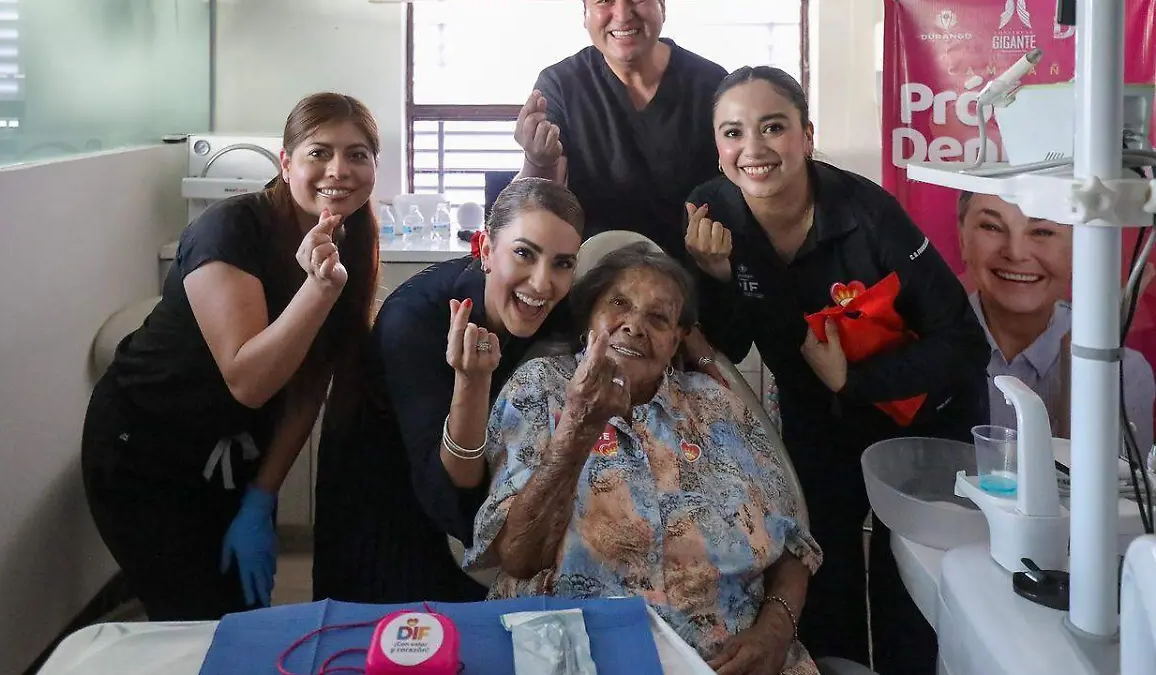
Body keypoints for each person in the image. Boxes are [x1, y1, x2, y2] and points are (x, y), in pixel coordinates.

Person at [682, 66, 990, 674]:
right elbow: (725, 343)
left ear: (806, 135)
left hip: (926, 415)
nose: (754, 149)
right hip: (818, 418)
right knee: (825, 568)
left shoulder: (868, 214)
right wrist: (716, 281)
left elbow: (963, 343)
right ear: (719, 149)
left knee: (909, 577)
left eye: (773, 127)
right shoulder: (711, 212)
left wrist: (854, 381)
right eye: (733, 132)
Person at [80, 93, 382, 620]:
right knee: (193, 617)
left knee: (244, 614)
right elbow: (249, 380)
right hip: (144, 449)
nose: (340, 170)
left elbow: (310, 383)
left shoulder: (348, 237)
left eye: (358, 154)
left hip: (227, 453)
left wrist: (262, 498)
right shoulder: (230, 228)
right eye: (320, 152)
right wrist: (319, 291)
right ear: (286, 163)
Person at [465, 243, 823, 674]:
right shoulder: (540, 389)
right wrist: (579, 425)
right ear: (589, 319)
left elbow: (793, 544)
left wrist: (775, 631)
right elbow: (519, 556)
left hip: (730, 659)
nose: (634, 326)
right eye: (619, 304)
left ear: (676, 340)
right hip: (576, 652)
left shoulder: (718, 406)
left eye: (658, 318)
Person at [312, 178, 585, 604]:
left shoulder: (552, 305)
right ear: (484, 248)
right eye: (524, 254)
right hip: (383, 492)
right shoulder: (414, 321)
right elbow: (446, 497)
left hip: (468, 491)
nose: (541, 282)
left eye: (562, 264)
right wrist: (472, 384)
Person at [513, 0, 726, 263]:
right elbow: (542, 202)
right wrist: (537, 160)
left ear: (662, 7)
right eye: (604, 1)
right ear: (585, 14)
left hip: (692, 272)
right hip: (593, 273)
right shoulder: (562, 84)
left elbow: (736, 184)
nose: (623, 14)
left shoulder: (710, 82)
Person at [958, 191, 1155, 450]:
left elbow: (1106, 489)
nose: (1016, 253)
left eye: (1042, 232)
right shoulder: (919, 344)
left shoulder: (1124, 373)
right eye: (992, 227)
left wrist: (1084, 360)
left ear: (1079, 249)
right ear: (963, 239)